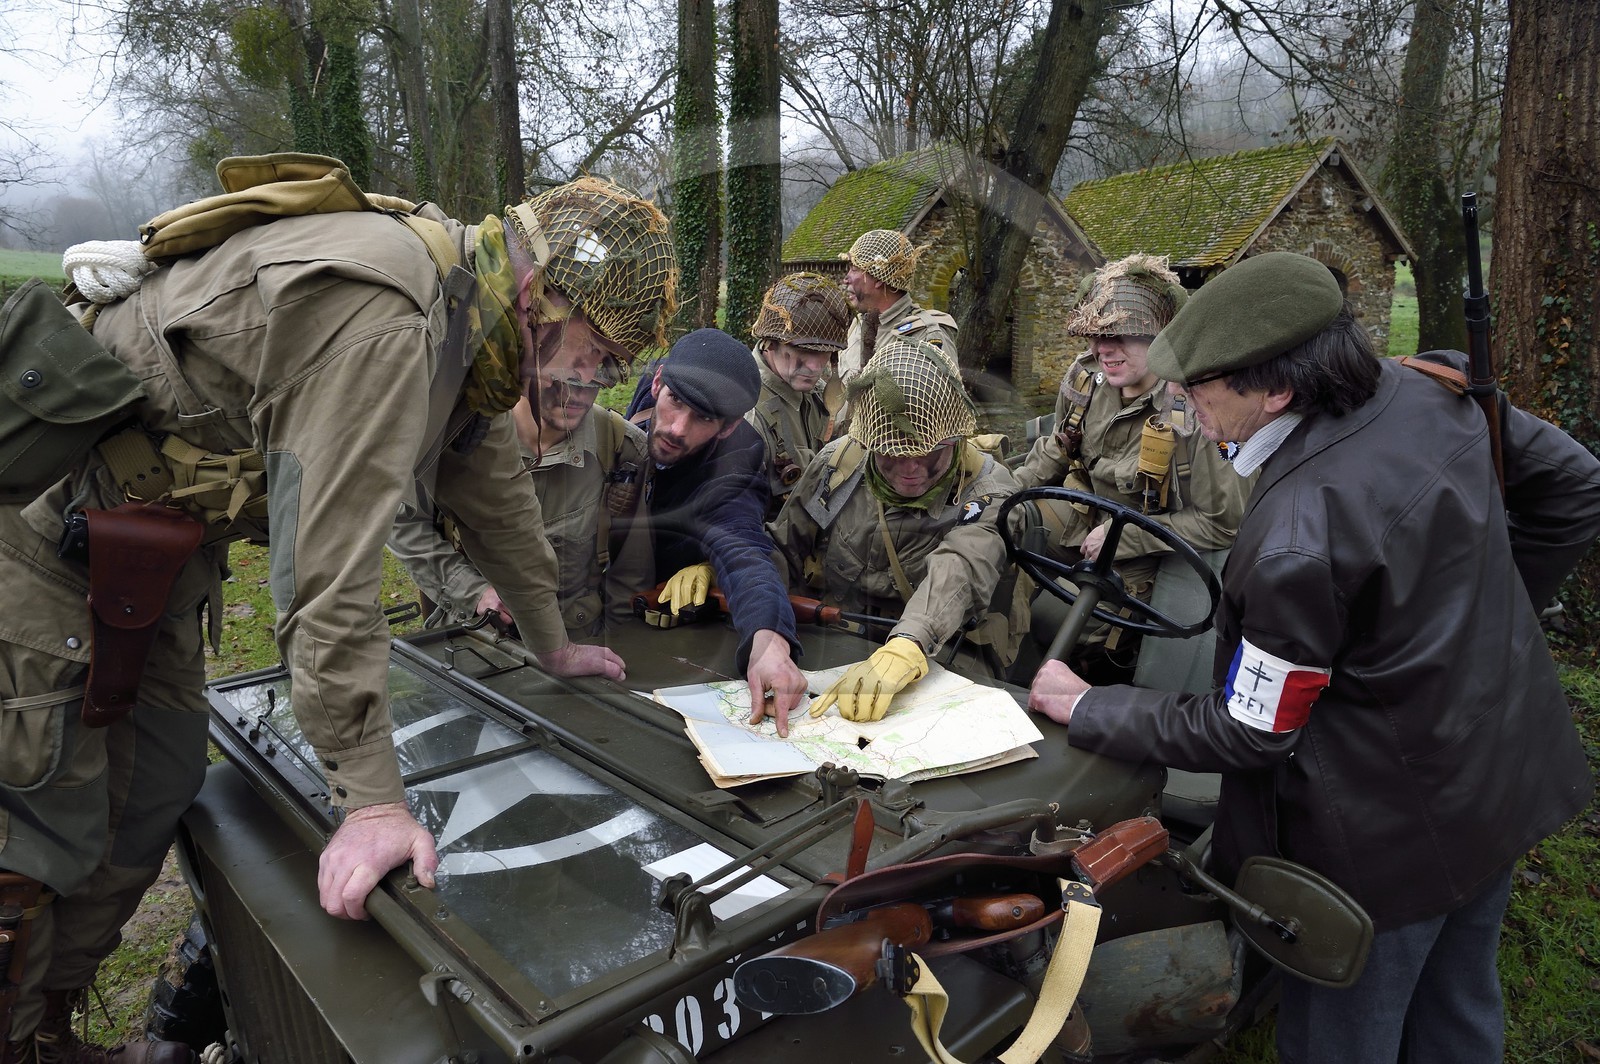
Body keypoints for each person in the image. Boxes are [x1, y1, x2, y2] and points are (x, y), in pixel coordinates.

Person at [0, 168, 675, 1063]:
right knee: (38, 828)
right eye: (593, 346)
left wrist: (551, 644)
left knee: (154, 785)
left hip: (150, 559)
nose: (595, 374)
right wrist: (369, 803)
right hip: (45, 545)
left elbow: (493, 493)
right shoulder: (393, 319)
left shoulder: (469, 324)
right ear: (539, 291)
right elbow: (327, 577)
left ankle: (42, 1030)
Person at [1027, 251, 1600, 1064]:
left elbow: (1247, 730)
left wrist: (1088, 704)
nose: (1184, 404)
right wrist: (1486, 618)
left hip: (1379, 846)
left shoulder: (1297, 535)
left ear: (1279, 389)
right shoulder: (1431, 387)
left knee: (1343, 1037)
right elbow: (1575, 484)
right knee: (1459, 1005)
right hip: (1496, 775)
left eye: (1200, 388)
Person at [1014, 254, 1251, 677]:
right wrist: (1005, 497)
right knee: (1004, 534)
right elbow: (1059, 448)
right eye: (1095, 335)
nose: (1103, 349)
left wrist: (1124, 536)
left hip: (1150, 543)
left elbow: (1221, 523)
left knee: (1079, 627)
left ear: (1162, 337)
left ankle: (1086, 677)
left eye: (1123, 336)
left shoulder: (1194, 409)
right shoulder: (1086, 378)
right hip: (1082, 510)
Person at [771, 336, 1025, 722]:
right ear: (871, 443)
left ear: (955, 440)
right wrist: (730, 571)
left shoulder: (989, 492)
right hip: (836, 646)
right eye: (894, 454)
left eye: (930, 455)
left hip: (945, 658)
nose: (911, 470)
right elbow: (783, 545)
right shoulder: (839, 466)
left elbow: (963, 564)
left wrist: (907, 643)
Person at [626, 328, 809, 736]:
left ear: (727, 427)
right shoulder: (615, 408)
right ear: (657, 382)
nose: (677, 428)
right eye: (675, 402)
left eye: (703, 418)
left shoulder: (738, 459)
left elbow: (742, 550)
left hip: (661, 620)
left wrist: (769, 641)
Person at [389, 382, 651, 639]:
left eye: (597, 377)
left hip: (576, 633)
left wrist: (617, 647)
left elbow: (632, 571)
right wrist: (471, 591)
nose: (578, 394)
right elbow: (401, 522)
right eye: (563, 377)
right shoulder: (453, 432)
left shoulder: (618, 444)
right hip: (474, 634)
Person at [744, 272, 851, 518]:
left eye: (825, 352)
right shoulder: (746, 413)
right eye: (802, 349)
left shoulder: (820, 394)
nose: (815, 367)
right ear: (771, 343)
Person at [835, 229, 960, 397]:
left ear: (878, 277)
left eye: (855, 268)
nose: (846, 278)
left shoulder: (927, 335)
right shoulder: (858, 324)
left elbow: (945, 409)